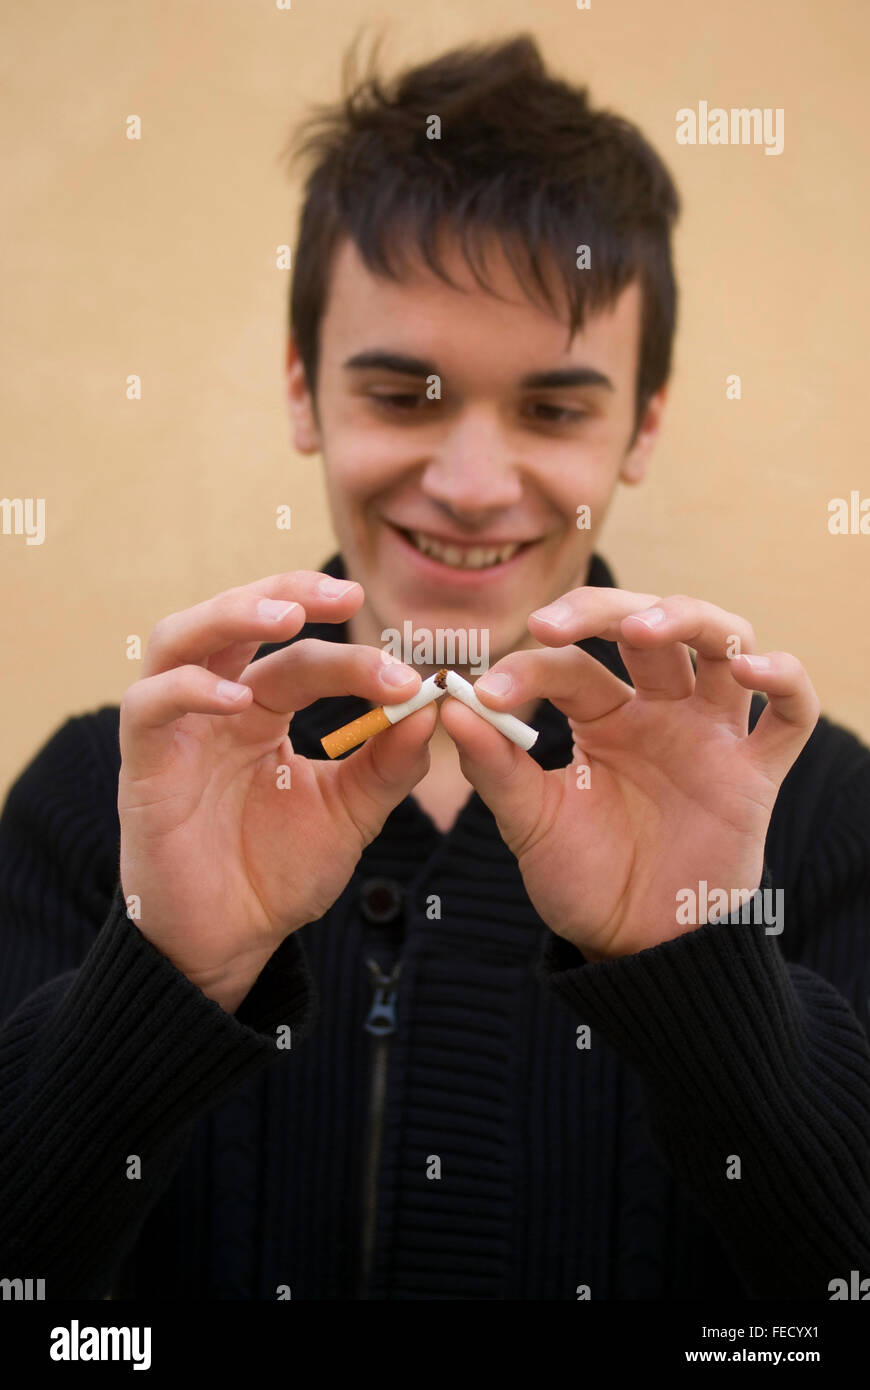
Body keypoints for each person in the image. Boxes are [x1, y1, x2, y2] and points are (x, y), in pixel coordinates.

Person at [1, 34, 868, 1303]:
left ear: (644, 423)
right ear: (305, 392)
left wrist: (703, 972)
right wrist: (166, 982)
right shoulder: (101, 801)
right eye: (404, 397)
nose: (470, 486)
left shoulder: (818, 811)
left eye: (555, 408)